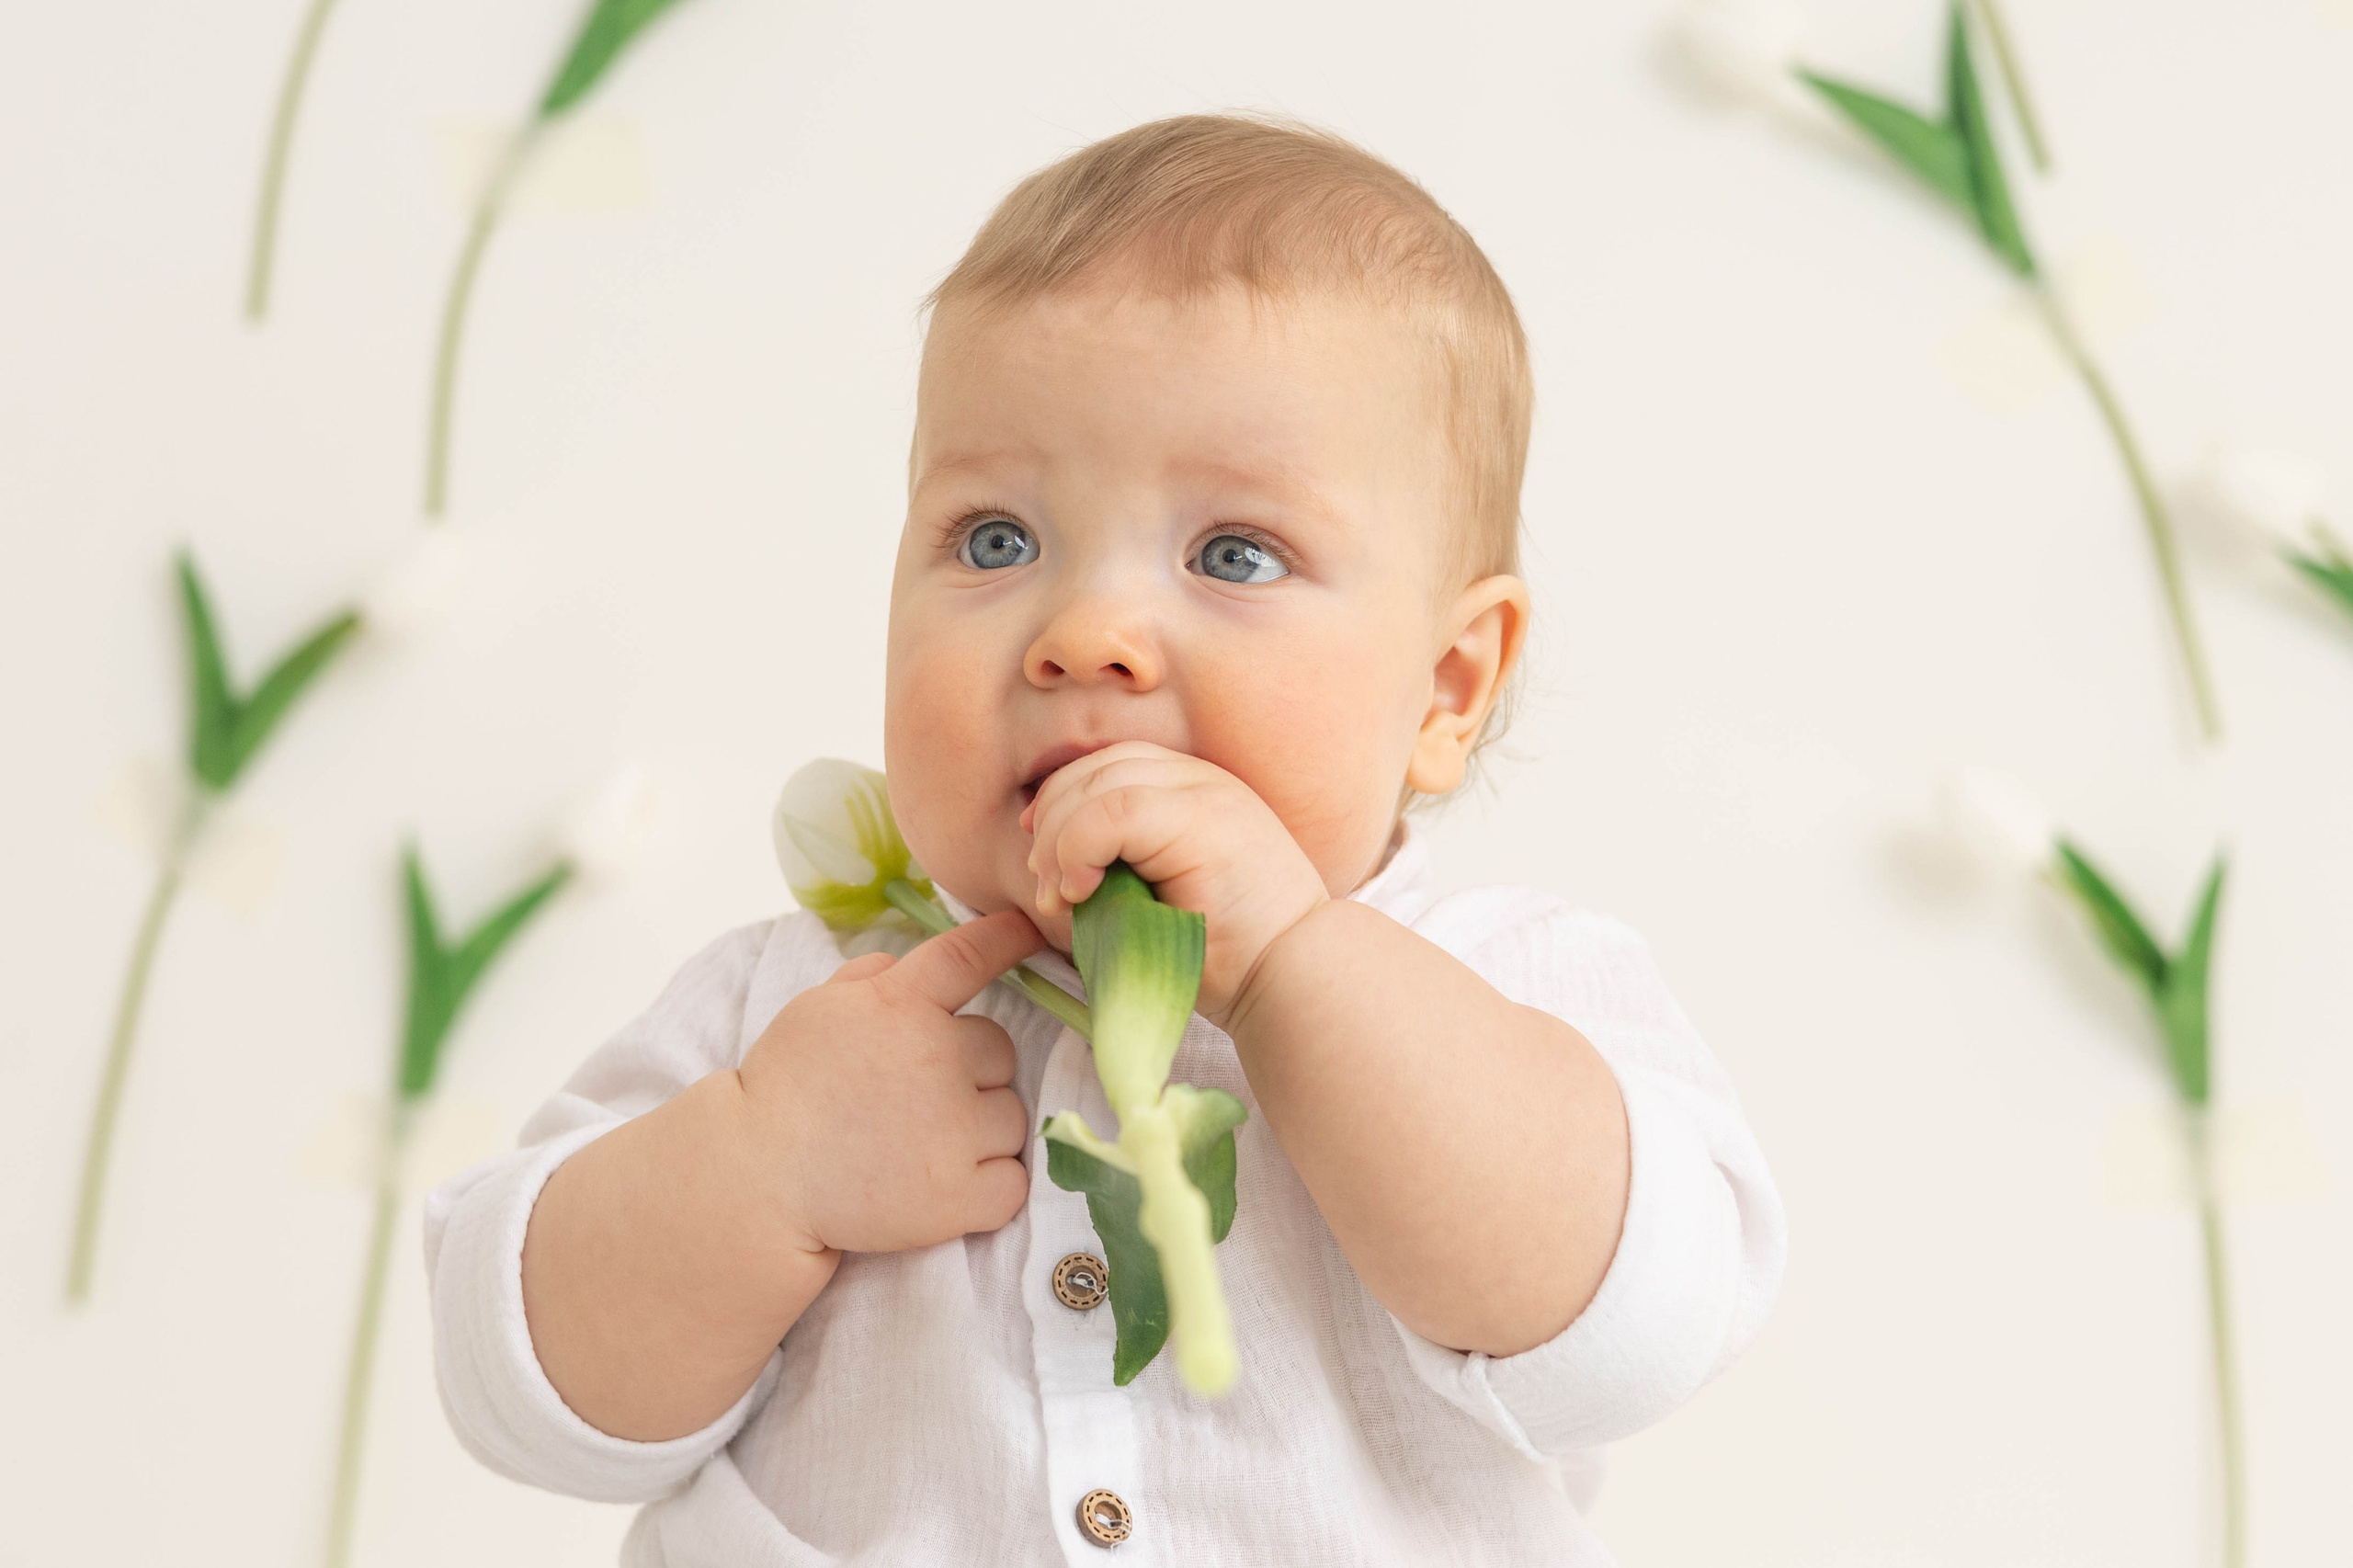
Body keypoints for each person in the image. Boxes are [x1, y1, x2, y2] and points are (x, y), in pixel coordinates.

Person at [426, 113, 1783, 1565]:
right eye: (995, 539)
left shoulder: (1511, 983)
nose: (1084, 634)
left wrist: (1295, 965)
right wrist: (763, 1165)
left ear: (1447, 687)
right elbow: (521, 1398)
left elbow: (1639, 1336)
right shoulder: (801, 1007)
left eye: (1234, 554)